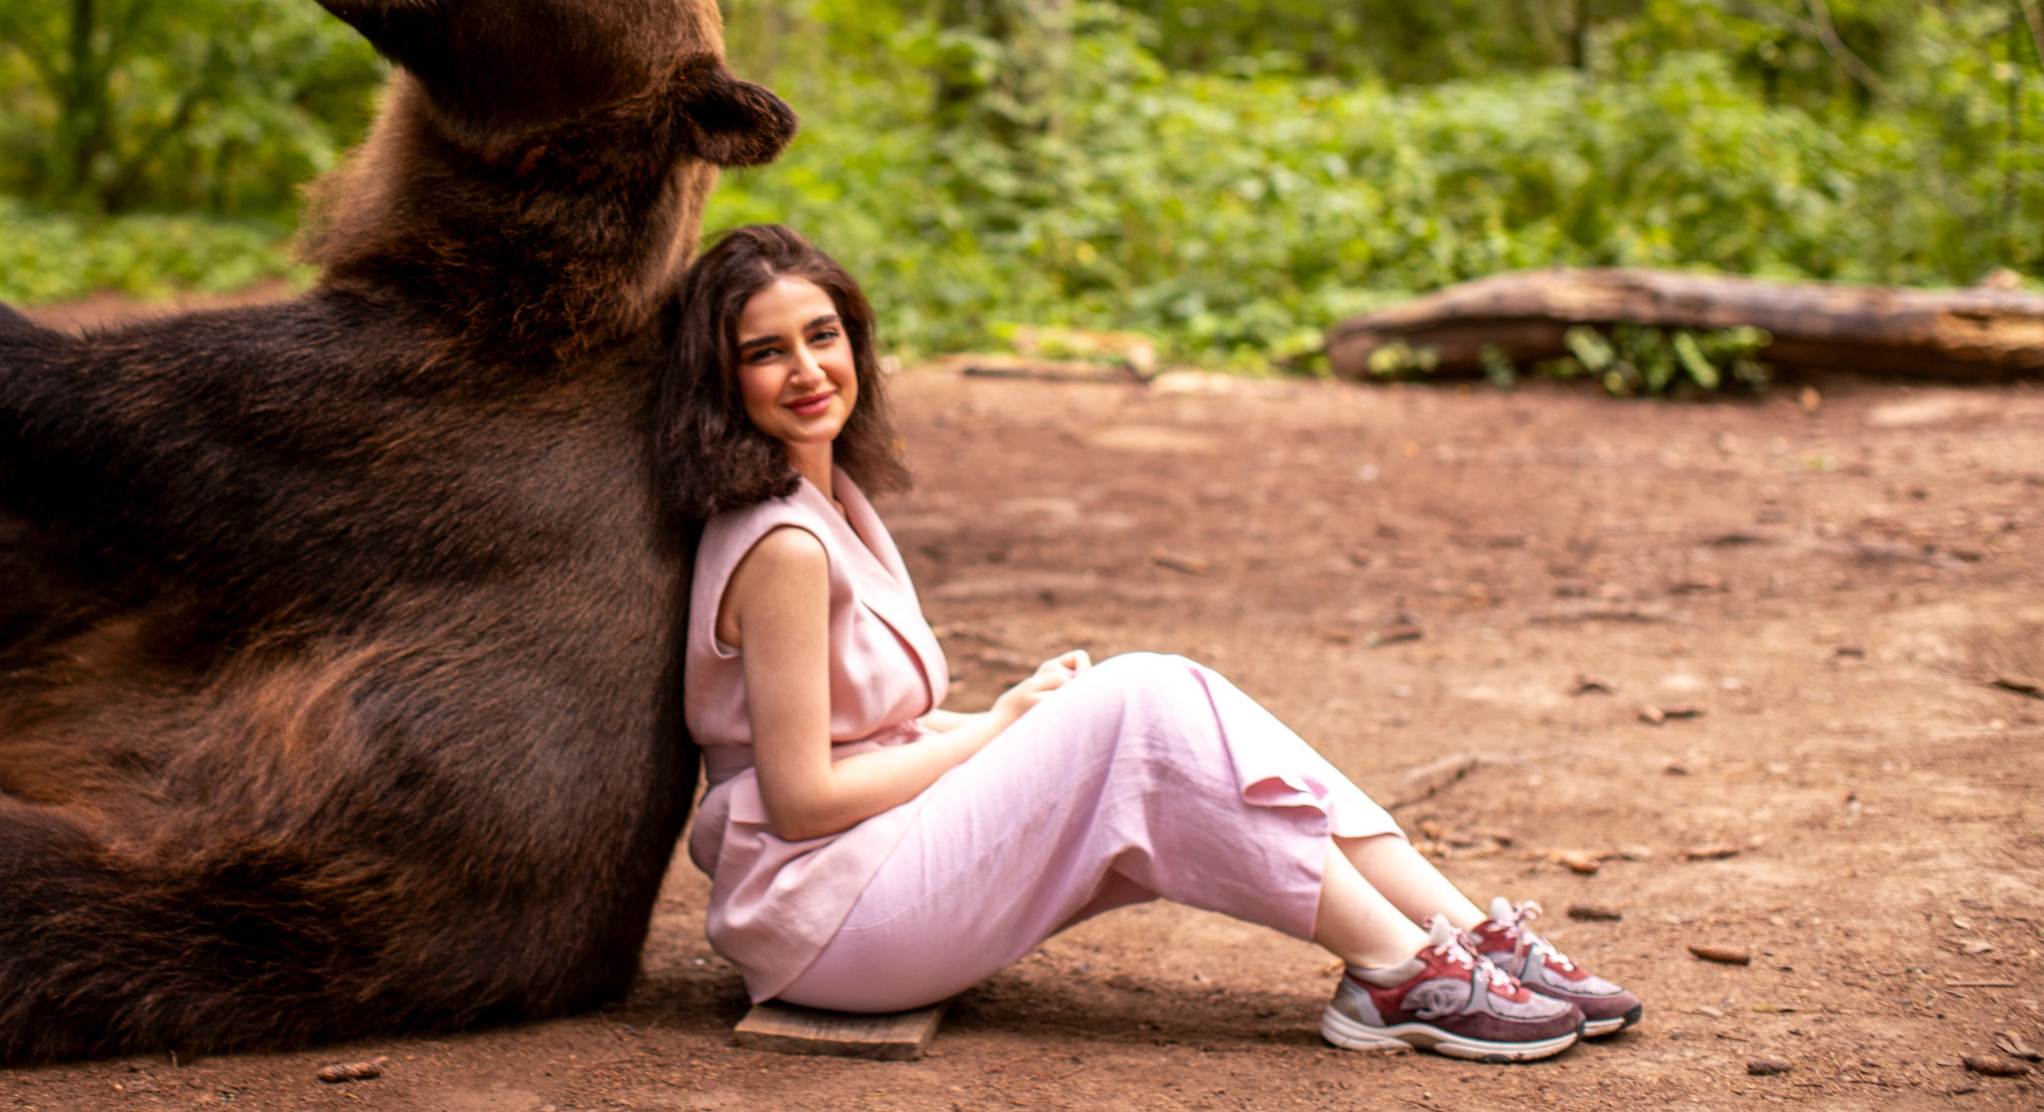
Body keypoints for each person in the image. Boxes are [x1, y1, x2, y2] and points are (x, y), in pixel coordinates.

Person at [656, 224, 1642, 1063]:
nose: (806, 370)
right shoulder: (781, 543)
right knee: (1143, 700)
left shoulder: (833, 501)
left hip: (878, 867)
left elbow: (867, 730)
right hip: (830, 924)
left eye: (821, 335)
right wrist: (998, 728)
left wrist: (1013, 720)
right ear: (723, 378)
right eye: (765, 351)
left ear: (855, 341)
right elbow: (802, 799)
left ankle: (1462, 936)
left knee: (1169, 694)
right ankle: (1396, 971)